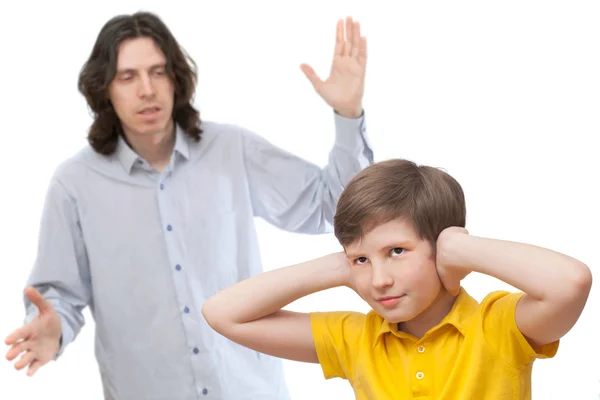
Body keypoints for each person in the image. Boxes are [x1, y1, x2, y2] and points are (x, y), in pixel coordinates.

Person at [4, 11, 373, 400]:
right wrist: (52, 329)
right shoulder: (74, 184)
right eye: (128, 77)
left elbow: (334, 208)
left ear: (177, 78)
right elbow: (59, 294)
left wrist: (348, 115)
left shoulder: (232, 149)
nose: (147, 89)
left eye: (158, 72)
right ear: (105, 90)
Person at [201, 158, 593, 399]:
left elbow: (570, 282)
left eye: (396, 252)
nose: (379, 280)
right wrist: (338, 267)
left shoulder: (499, 326)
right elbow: (223, 314)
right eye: (361, 260)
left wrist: (462, 250)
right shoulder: (355, 338)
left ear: (441, 248)